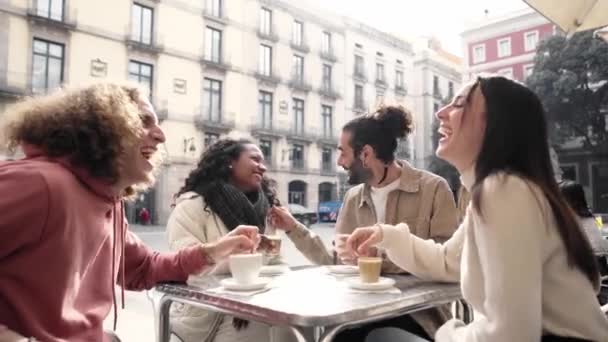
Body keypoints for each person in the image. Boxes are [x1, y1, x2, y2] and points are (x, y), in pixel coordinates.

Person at [347, 75, 608, 341]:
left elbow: (510, 335)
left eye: (459, 104)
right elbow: (448, 261)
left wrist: (448, 335)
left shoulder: (504, 190)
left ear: (495, 124)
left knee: (374, 336)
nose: (441, 112)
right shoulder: (507, 190)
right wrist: (385, 236)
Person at [0, 84, 260, 342]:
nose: (160, 135)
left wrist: (214, 251)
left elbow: (145, 267)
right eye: (144, 121)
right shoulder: (42, 184)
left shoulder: (108, 202)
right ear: (103, 126)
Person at [270, 105, 459, 340]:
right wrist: (292, 227)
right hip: (357, 311)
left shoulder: (433, 189)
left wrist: (376, 259)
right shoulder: (353, 197)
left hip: (416, 314)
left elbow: (448, 260)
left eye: (343, 152)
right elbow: (337, 261)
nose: (339, 161)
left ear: (366, 154)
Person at [166, 138, 295, 342]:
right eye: (255, 159)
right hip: (212, 314)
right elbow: (186, 267)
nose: (263, 166)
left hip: (262, 303)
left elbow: (277, 260)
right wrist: (237, 261)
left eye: (263, 161)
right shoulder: (192, 207)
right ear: (229, 162)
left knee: (294, 328)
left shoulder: (265, 209)